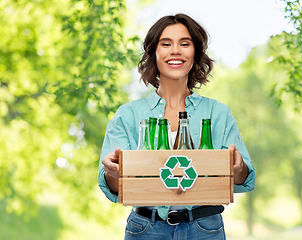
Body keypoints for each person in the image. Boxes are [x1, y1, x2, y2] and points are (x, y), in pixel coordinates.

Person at [98, 13, 256, 240]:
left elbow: (244, 177)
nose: (175, 51)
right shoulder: (128, 115)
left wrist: (238, 168)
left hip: (204, 228)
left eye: (185, 43)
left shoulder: (218, 113)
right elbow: (113, 186)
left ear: (196, 53)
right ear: (154, 53)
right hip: (146, 228)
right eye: (166, 44)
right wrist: (114, 172)